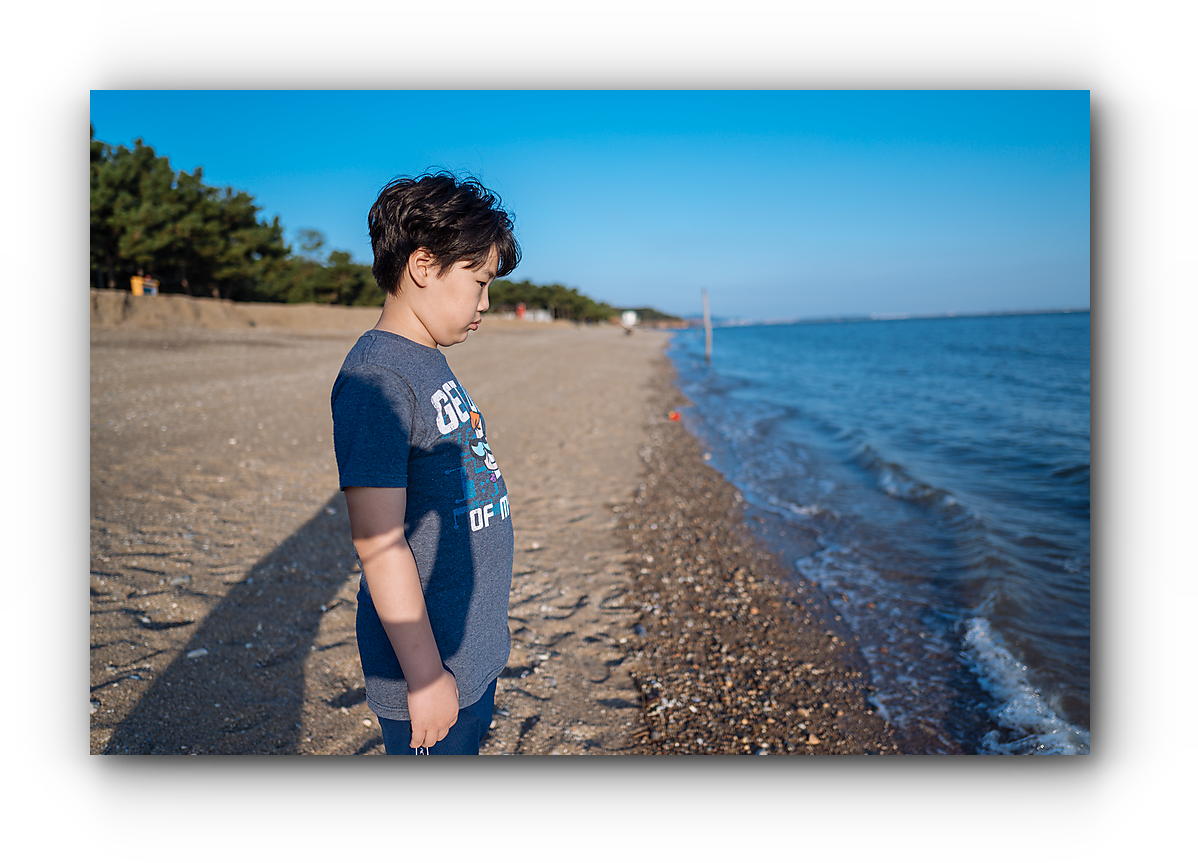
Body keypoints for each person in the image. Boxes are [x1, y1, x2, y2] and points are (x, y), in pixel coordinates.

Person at [331, 173, 520, 754]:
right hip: (429, 666)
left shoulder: (425, 358)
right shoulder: (377, 379)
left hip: (471, 651)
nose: (485, 303)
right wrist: (426, 676)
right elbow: (379, 543)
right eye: (479, 282)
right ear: (423, 265)